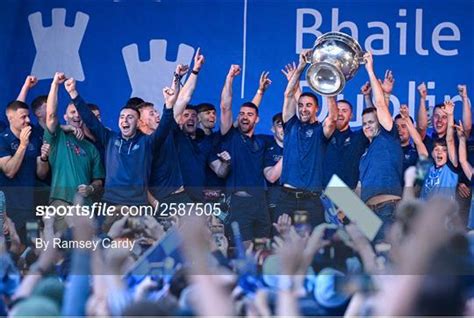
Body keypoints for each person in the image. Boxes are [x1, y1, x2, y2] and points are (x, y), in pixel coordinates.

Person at [66, 75, 176, 209]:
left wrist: (169, 106)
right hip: (112, 203)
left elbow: (164, 128)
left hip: (138, 205)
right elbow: (90, 120)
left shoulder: (147, 142)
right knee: (110, 230)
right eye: (122, 117)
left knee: (146, 230)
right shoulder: (110, 138)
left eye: (130, 117)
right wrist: (73, 93)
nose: (125, 120)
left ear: (138, 123)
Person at [277, 50, 338, 227]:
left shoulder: (321, 131)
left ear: (316, 109)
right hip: (286, 199)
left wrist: (329, 87)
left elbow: (333, 119)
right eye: (301, 105)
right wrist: (301, 67)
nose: (303, 109)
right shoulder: (290, 125)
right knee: (282, 246)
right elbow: (289, 95)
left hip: (311, 202)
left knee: (312, 249)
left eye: (308, 106)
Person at [44, 72, 104, 231]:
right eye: (72, 112)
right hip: (62, 203)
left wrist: (91, 188)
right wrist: (55, 85)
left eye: (79, 112)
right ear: (65, 116)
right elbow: (50, 116)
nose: (76, 115)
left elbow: (98, 180)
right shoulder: (58, 138)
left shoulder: (91, 147)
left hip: (86, 208)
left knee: (87, 253)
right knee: (63, 251)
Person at [219, 64, 271, 242]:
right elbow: (226, 106)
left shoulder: (262, 141)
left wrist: (260, 92)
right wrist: (230, 78)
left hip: (261, 202)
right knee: (244, 252)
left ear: (257, 119)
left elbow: (251, 110)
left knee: (264, 250)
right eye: (241, 114)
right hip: (238, 203)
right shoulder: (230, 136)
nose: (244, 117)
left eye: (249, 115)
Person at [358, 52, 403, 241]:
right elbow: (360, 188)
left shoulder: (388, 136)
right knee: (370, 265)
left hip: (388, 211)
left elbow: (380, 107)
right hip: (366, 217)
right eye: (364, 124)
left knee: (388, 265)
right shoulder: (364, 156)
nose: (367, 126)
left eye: (371, 122)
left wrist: (369, 69)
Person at [0, 100, 49, 241]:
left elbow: (41, 174)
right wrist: (22, 145)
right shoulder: (2, 140)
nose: (27, 120)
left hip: (30, 207)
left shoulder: (33, 138)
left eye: (28, 116)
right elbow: (9, 171)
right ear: (10, 118)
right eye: (23, 117)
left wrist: (44, 158)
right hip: (9, 210)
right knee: (12, 248)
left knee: (34, 244)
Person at [322, 99, 368, 189]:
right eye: (337, 110)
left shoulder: (358, 137)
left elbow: (374, 120)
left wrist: (367, 97)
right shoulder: (322, 134)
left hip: (345, 195)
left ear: (351, 116)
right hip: (320, 193)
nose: (340, 113)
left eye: (344, 111)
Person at [420, 101, 459, 200]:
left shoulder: (456, 142)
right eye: (436, 116)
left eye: (444, 117)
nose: (439, 120)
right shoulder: (428, 143)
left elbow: (449, 140)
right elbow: (420, 132)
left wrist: (463, 181)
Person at [394, 104, 428, 175]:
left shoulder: (415, 152)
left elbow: (420, 145)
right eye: (396, 127)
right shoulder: (388, 151)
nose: (399, 130)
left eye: (403, 126)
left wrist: (407, 119)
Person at [263, 112, 284, 223]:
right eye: (280, 126)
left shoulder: (303, 148)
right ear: (273, 129)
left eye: (287, 126)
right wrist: (290, 149)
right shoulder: (268, 148)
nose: (284, 130)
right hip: (275, 201)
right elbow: (271, 177)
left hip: (299, 201)